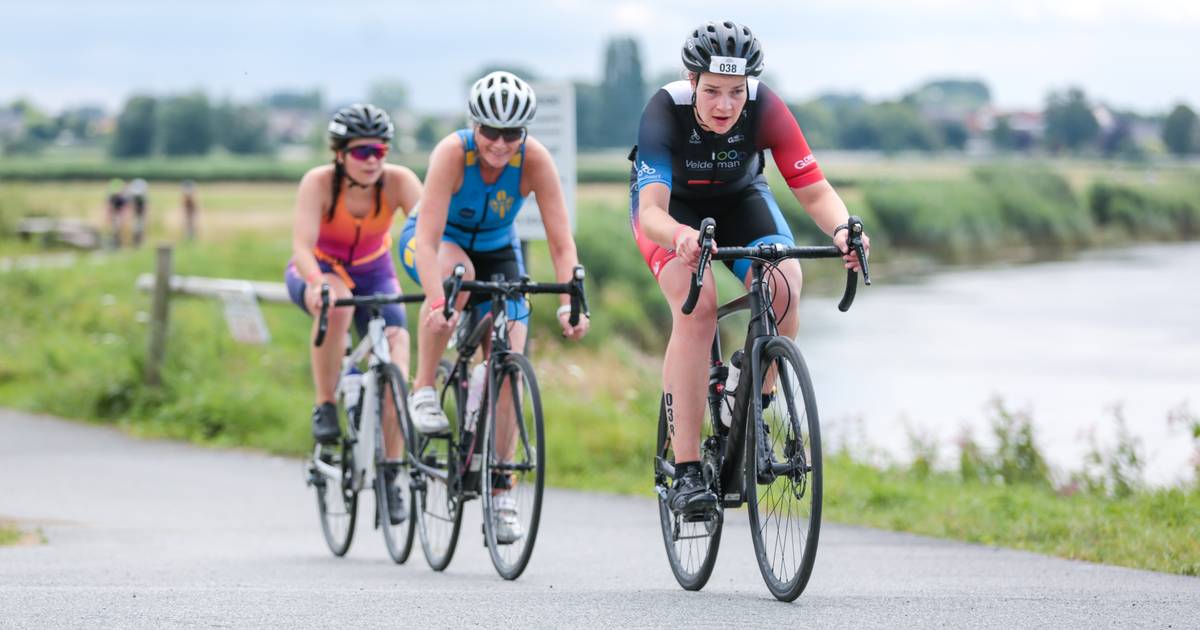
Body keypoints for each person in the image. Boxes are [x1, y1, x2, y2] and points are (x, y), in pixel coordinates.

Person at [629, 21, 870, 516]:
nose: (725, 105)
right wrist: (680, 236)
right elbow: (651, 212)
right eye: (712, 91)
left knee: (785, 283)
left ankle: (751, 399)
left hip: (742, 201)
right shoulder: (665, 110)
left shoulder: (766, 108)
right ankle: (687, 471)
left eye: (736, 92)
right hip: (674, 214)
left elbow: (814, 189)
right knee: (698, 308)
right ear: (692, 80)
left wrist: (843, 229)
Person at [398, 71, 589, 542]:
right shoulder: (452, 153)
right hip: (437, 242)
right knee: (457, 280)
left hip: (498, 249)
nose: (500, 144)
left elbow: (561, 243)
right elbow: (427, 242)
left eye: (512, 133)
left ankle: (502, 491)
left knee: (509, 365)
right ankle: (424, 386)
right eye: (490, 131)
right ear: (474, 125)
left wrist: (571, 302)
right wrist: (439, 301)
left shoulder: (534, 159)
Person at [284, 104, 422, 524]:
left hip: (374, 270)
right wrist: (316, 282)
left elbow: (429, 231)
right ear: (340, 154)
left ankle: (391, 473)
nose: (373, 160)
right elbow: (301, 247)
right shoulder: (318, 183)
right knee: (338, 302)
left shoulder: (399, 182)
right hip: (320, 268)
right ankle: (325, 403)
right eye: (362, 151)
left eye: (380, 150)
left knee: (397, 354)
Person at [105, 178, 127, 249]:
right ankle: (115, 243)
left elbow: (124, 209)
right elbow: (109, 207)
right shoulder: (112, 197)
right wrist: (108, 216)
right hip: (115, 214)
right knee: (114, 229)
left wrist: (123, 218)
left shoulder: (122, 198)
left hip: (118, 214)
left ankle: (117, 243)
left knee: (117, 229)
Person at [128, 178, 148, 247]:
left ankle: (139, 242)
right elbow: (132, 206)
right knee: (136, 227)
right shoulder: (134, 196)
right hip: (136, 214)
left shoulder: (142, 197)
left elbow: (145, 207)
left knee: (140, 227)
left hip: (140, 214)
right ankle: (135, 242)